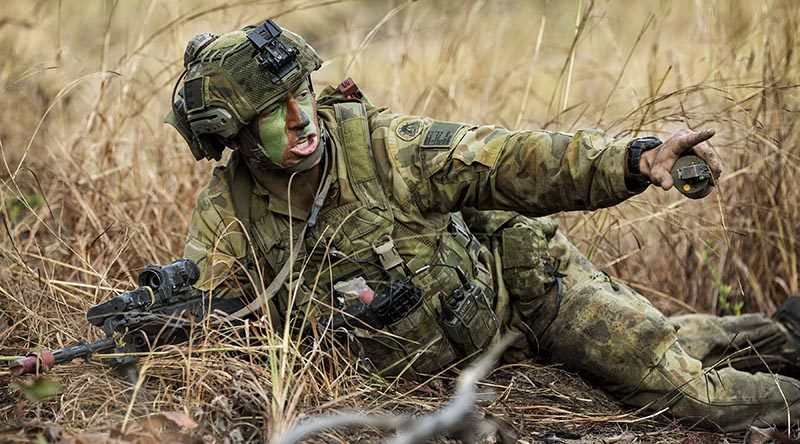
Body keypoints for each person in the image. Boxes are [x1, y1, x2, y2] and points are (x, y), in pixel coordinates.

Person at [165, 19, 800, 432]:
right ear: (236, 135)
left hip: (531, 288)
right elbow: (208, 300)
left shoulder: (386, 147)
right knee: (664, 343)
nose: (303, 117)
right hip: (481, 350)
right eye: (276, 111)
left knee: (689, 395)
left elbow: (513, 159)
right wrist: (162, 315)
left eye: (303, 91)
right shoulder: (232, 211)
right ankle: (781, 330)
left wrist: (635, 159)